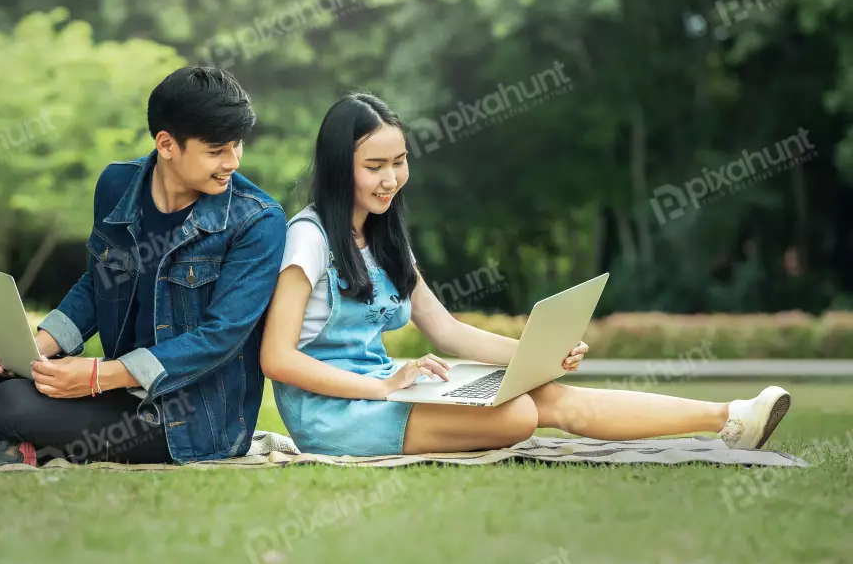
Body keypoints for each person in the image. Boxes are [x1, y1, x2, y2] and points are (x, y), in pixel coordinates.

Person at [259, 93, 791, 456]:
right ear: (337, 167)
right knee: (518, 417)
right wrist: (381, 389)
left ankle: (730, 417)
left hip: (386, 387)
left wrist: (535, 356)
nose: (391, 178)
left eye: (399, 161)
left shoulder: (383, 236)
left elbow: (447, 331)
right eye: (374, 166)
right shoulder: (308, 238)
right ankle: (726, 418)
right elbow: (276, 358)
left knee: (548, 395)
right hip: (334, 412)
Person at [0, 66, 286, 467]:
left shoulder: (257, 220)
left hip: (188, 418)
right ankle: (6, 450)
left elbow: (220, 338)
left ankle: (11, 446)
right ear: (166, 144)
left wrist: (98, 376)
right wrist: (38, 346)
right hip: (118, 391)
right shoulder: (116, 186)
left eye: (236, 145)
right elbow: (98, 282)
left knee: (10, 403)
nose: (232, 161)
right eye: (216, 150)